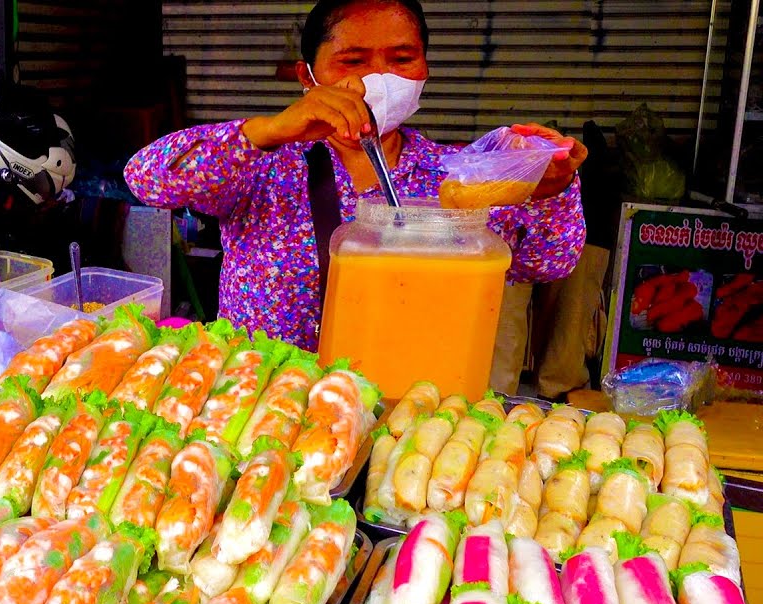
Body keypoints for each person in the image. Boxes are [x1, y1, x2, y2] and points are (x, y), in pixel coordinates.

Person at [125, 0, 588, 368]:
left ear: (425, 69)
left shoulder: (456, 176)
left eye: (402, 58)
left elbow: (545, 264)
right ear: (309, 75)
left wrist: (549, 188)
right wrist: (268, 130)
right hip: (269, 401)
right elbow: (147, 179)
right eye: (353, 60)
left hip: (405, 403)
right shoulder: (263, 162)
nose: (379, 77)